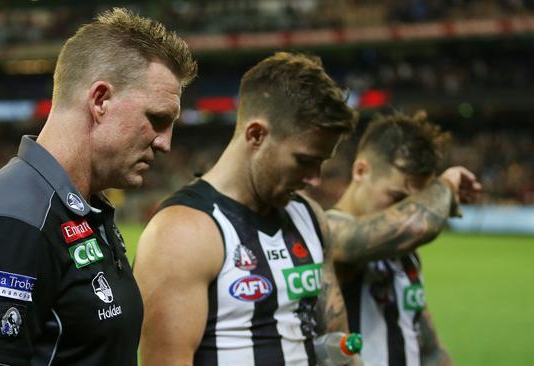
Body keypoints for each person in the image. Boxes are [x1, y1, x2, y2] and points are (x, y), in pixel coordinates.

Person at [0, 8, 196, 366]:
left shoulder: (81, 206)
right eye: (156, 119)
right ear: (100, 100)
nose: (165, 143)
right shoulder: (13, 222)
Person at [134, 52, 360, 366]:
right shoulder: (181, 233)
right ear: (256, 135)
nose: (314, 179)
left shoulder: (309, 216)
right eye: (305, 160)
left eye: (321, 163)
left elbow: (340, 349)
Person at [323, 111, 482, 366]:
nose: (403, 211)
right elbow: (416, 226)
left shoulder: (405, 255)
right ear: (361, 170)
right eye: (397, 198)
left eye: (413, 202)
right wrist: (447, 187)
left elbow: (429, 350)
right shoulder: (326, 231)